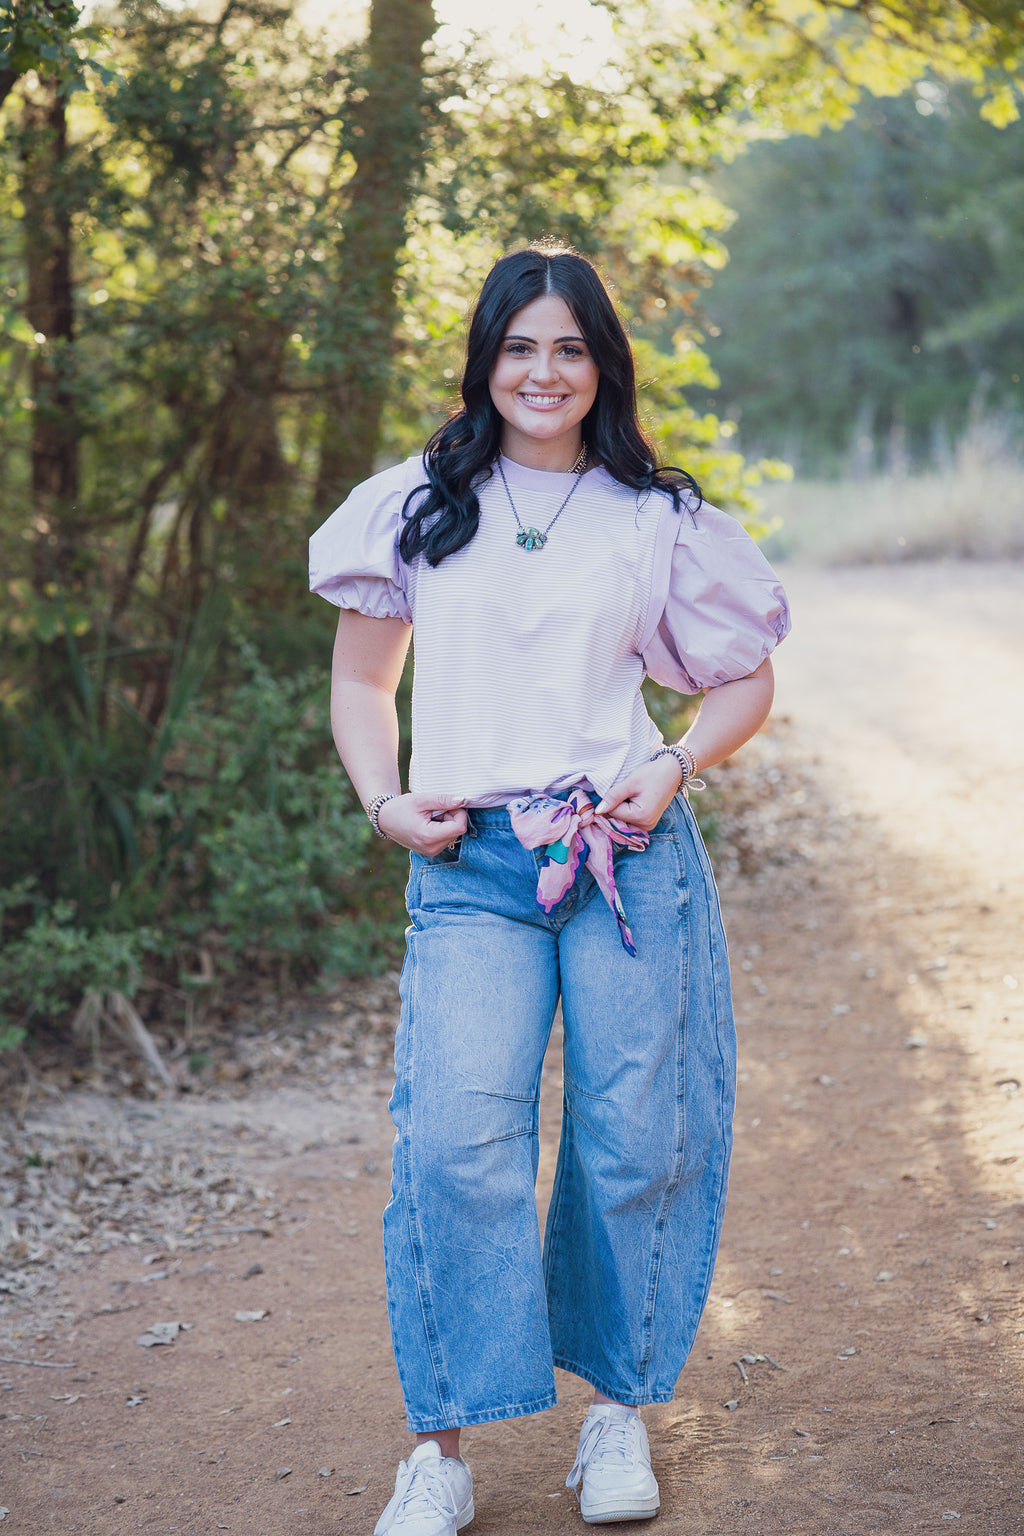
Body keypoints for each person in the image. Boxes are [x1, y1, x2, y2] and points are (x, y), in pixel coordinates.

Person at [309, 244, 790, 1535]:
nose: (543, 370)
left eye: (569, 348)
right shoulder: (415, 504)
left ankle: (616, 1421)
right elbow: (363, 682)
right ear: (484, 360)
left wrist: (678, 764)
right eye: (519, 346)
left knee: (637, 1136)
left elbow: (745, 678)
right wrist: (382, 797)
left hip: (626, 853)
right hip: (471, 863)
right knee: (458, 1143)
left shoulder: (656, 517)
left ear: (601, 366)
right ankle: (440, 1453)